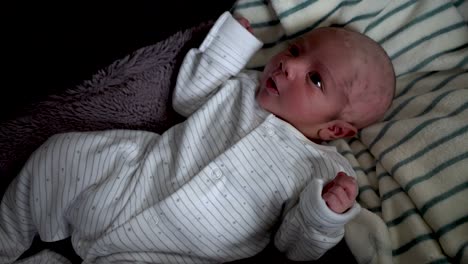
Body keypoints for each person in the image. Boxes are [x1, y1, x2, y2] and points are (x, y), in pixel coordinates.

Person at [0, 11, 394, 264]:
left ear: (335, 129)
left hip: (175, 249)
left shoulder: (325, 169)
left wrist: (322, 214)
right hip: (136, 175)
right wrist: (229, 47)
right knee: (61, 154)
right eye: (295, 50)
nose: (289, 65)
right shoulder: (244, 88)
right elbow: (188, 97)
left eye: (315, 78)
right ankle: (7, 236)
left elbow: (295, 246)